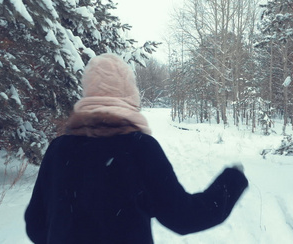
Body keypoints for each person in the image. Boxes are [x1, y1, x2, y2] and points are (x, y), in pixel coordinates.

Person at [24, 53, 248, 243]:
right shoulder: (139, 148)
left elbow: (36, 225)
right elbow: (183, 217)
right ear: (129, 94)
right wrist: (231, 182)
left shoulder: (59, 149)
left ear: (88, 94)